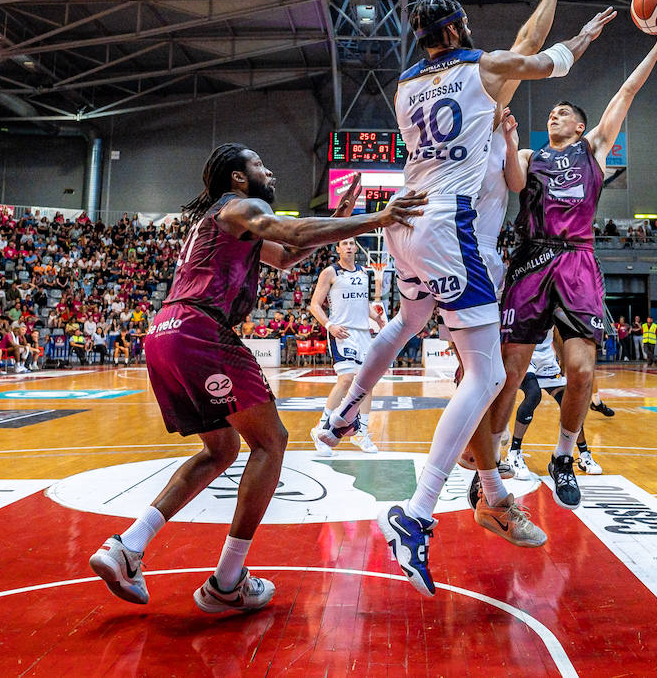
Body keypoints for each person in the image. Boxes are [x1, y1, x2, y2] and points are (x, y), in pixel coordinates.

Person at [312, 0, 611, 595]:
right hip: (452, 230)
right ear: (462, 28)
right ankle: (417, 517)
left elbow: (519, 48)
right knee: (489, 375)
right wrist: (581, 31)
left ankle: (343, 417)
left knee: (406, 320)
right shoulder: (486, 72)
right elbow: (546, 53)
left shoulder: (404, 86)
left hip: (405, 221)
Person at [88, 143, 424, 615]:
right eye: (260, 166)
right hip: (202, 331)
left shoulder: (218, 220)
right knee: (271, 442)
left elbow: (286, 254)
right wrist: (376, 220)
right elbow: (289, 228)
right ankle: (227, 582)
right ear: (239, 178)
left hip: (165, 333)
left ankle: (127, 546)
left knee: (221, 449)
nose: (271, 172)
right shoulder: (243, 205)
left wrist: (339, 218)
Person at [498, 10, 657, 510]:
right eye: (552, 113)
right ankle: (495, 462)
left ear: (580, 126)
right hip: (530, 260)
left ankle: (563, 455)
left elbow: (626, 92)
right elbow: (512, 186)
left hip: (577, 261)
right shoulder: (528, 157)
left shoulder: (594, 148)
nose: (554, 116)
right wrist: (510, 138)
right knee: (510, 371)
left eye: (563, 113)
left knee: (580, 370)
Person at [308, 237, 386, 455]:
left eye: (352, 243)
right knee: (346, 379)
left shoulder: (363, 273)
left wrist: (376, 318)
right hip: (341, 332)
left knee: (367, 383)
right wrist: (330, 325)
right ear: (338, 249)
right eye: (345, 244)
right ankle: (322, 428)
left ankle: (361, 432)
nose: (350, 247)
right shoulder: (330, 273)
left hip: (363, 333)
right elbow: (314, 304)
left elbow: (362, 305)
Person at [504, 331, 602, 480]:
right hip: (524, 354)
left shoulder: (553, 308)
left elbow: (557, 335)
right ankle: (514, 452)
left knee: (569, 403)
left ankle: (584, 454)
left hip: (546, 358)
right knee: (533, 394)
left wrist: (562, 359)